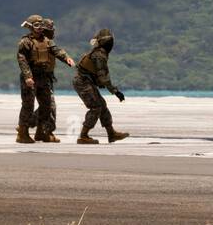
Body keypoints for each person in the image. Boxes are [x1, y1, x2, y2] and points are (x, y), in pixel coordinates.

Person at [16, 15, 74, 143]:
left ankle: (42, 132)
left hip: (44, 77)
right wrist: (27, 76)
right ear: (30, 27)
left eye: (41, 26)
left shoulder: (47, 41)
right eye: (36, 26)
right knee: (28, 105)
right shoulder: (25, 42)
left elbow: (56, 50)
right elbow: (22, 60)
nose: (39, 28)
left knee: (47, 105)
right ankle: (22, 133)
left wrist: (66, 58)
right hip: (31, 77)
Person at [73, 28, 129, 144]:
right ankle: (83, 136)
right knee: (96, 107)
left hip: (85, 81)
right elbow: (103, 77)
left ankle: (111, 134)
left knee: (102, 105)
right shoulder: (100, 55)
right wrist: (115, 91)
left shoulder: (99, 53)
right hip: (83, 82)